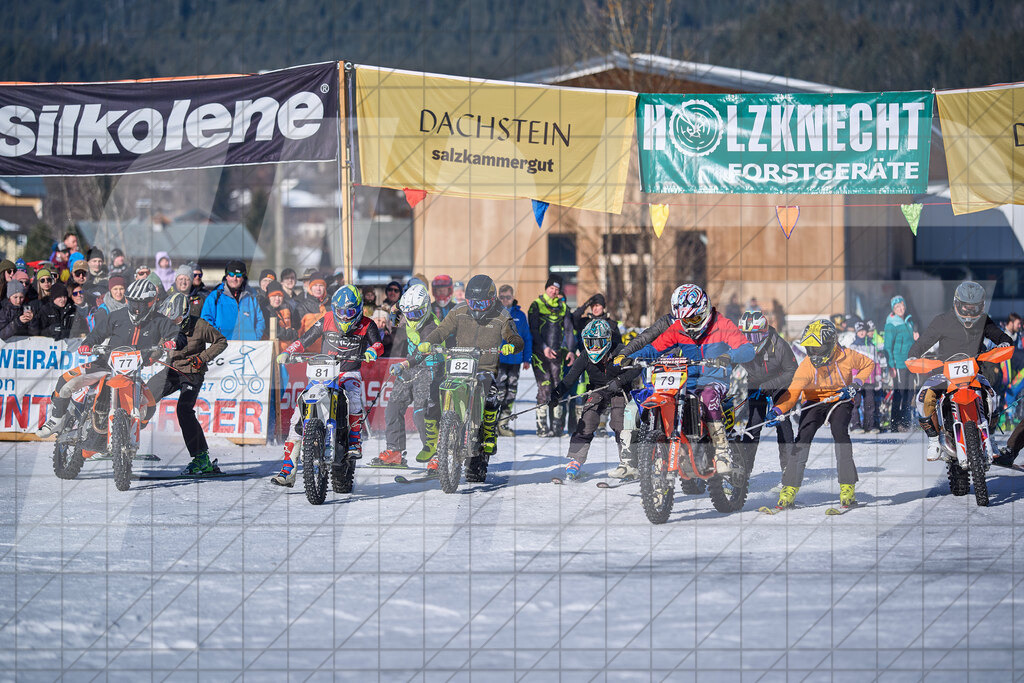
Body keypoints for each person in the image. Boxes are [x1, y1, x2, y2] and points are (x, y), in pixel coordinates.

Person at [619, 283, 754, 474]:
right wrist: (631, 356)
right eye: (685, 320)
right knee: (665, 398)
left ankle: (722, 451)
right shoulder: (678, 327)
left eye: (695, 318)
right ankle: (669, 446)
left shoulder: (722, 325)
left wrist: (729, 356)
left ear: (705, 308)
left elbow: (747, 349)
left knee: (708, 396)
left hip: (714, 380)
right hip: (685, 380)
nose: (690, 324)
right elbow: (654, 347)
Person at [36, 279, 186, 441]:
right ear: (127, 300)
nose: (137, 309)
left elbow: (177, 334)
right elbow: (97, 333)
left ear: (151, 302)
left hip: (132, 373)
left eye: (142, 304)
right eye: (133, 303)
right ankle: (57, 419)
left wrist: (174, 341)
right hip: (105, 364)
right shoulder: (117, 315)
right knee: (65, 380)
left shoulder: (159, 320)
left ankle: (126, 437)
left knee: (149, 408)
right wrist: (88, 344)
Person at [417, 274, 524, 481]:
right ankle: (445, 429)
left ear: (492, 300)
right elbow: (441, 331)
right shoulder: (458, 311)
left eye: (482, 302)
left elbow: (514, 336)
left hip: (485, 366)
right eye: (472, 302)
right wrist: (428, 342)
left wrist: (511, 344)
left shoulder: (502, 315)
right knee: (438, 387)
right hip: (458, 364)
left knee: (492, 395)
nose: (477, 307)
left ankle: (488, 433)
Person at [272, 285, 382, 485]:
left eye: (349, 312)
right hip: (323, 370)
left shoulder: (367, 324)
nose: (345, 317)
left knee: (354, 397)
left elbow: (378, 343)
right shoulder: (328, 319)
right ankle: (288, 469)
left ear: (358, 310)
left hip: (349, 371)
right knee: (298, 413)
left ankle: (355, 438)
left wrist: (373, 350)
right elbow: (305, 339)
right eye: (340, 312)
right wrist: (289, 351)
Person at [765, 319, 875, 510]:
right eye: (810, 349)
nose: (814, 354)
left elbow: (868, 364)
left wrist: (855, 384)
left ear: (831, 344)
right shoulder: (807, 366)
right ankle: (789, 489)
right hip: (814, 402)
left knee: (840, 433)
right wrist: (778, 410)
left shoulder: (847, 356)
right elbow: (792, 393)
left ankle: (847, 488)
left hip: (841, 400)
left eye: (818, 348)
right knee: (802, 438)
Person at [907, 281, 1011, 460]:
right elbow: (922, 343)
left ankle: (990, 437)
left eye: (974, 308)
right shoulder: (942, 321)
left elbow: (1002, 337)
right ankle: (933, 441)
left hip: (974, 372)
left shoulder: (984, 321)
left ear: (981, 307)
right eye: (966, 308)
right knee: (923, 398)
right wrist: (913, 356)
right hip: (944, 371)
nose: (970, 313)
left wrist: (1004, 344)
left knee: (992, 396)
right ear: (956, 303)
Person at [549, 319, 642, 480]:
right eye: (589, 343)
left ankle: (628, 462)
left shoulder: (620, 350)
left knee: (620, 422)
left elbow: (637, 368)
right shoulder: (585, 356)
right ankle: (576, 459)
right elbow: (570, 377)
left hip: (620, 389)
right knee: (588, 418)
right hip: (598, 390)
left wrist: (620, 381)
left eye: (597, 343)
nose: (593, 347)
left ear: (606, 340)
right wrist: (556, 394)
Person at [145, 293, 228, 474]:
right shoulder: (166, 324)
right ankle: (126, 439)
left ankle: (201, 458)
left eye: (177, 318)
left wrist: (202, 358)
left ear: (185, 314)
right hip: (172, 369)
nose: (173, 322)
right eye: (170, 319)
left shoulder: (199, 325)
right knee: (145, 394)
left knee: (184, 410)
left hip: (192, 372)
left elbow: (221, 341)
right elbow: (159, 347)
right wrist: (151, 357)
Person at [374, 284, 442, 467]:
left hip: (430, 368)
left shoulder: (432, 328)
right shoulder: (407, 311)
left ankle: (437, 454)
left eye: (416, 314)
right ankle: (395, 450)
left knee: (422, 414)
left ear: (426, 308)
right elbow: (397, 307)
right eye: (409, 314)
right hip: (410, 368)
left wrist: (403, 364)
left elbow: (422, 355)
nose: (411, 318)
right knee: (393, 406)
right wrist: (393, 309)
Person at [736, 310, 796, 482]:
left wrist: (768, 385)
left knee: (782, 423)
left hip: (780, 383)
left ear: (763, 332)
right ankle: (744, 470)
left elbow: (792, 372)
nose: (749, 340)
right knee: (753, 426)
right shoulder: (741, 347)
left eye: (753, 336)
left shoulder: (780, 345)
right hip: (755, 384)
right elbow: (728, 362)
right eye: (745, 335)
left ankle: (789, 469)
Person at [528, 274, 576, 437]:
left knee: (558, 388)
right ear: (546, 288)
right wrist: (544, 348)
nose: (554, 292)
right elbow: (533, 331)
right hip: (540, 354)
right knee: (545, 387)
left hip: (558, 354)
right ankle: (542, 427)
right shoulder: (536, 305)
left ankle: (557, 428)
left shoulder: (563, 307)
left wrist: (570, 350)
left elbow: (569, 330)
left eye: (556, 289)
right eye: (551, 288)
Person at [495, 284, 532, 436]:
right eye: (502, 297)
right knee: (498, 391)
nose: (505, 300)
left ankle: (503, 423)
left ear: (513, 298)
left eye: (508, 297)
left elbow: (527, 338)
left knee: (511, 391)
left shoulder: (520, 315)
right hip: (499, 360)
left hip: (515, 360)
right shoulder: (494, 314)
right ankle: (493, 422)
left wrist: (527, 358)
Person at [200, 260, 265, 340]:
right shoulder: (215, 296)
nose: (234, 278)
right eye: (231, 274)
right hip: (222, 346)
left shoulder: (250, 297)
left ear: (243, 278)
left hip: (247, 347)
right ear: (226, 276)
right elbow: (206, 319)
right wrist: (217, 338)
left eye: (238, 275)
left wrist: (255, 337)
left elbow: (260, 321)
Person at [884, 295, 917, 431]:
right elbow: (887, 346)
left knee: (909, 393)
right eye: (897, 307)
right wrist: (891, 365)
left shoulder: (908, 321)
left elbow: (910, 342)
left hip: (910, 363)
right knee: (900, 393)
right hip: (899, 363)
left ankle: (905, 422)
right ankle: (895, 423)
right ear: (893, 309)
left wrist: (915, 338)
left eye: (902, 305)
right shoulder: (891, 323)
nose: (900, 308)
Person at [849, 321, 886, 434]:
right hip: (857, 380)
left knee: (870, 403)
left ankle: (869, 425)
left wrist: (878, 377)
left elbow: (877, 363)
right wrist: (853, 378)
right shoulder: (853, 347)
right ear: (856, 332)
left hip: (870, 380)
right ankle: (855, 425)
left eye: (863, 330)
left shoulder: (872, 346)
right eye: (859, 331)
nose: (862, 333)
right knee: (856, 402)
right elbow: (850, 365)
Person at [265, 281, 297, 346]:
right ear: (268, 297)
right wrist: (289, 333)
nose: (277, 299)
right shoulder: (266, 312)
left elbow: (295, 327)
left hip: (287, 350)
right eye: (274, 296)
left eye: (279, 296)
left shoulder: (287, 308)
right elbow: (274, 331)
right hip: (272, 350)